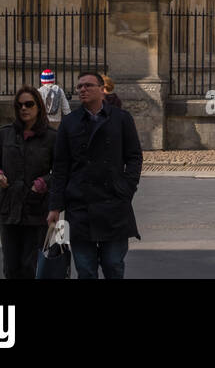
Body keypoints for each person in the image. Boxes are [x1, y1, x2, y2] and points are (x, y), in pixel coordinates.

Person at [47, 71, 142, 279]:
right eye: (79, 86)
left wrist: (126, 188)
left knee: (113, 265)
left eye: (88, 85)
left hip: (114, 203)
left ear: (102, 90)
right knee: (86, 269)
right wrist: (55, 206)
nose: (82, 89)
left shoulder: (121, 119)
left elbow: (134, 157)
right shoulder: (69, 122)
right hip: (80, 205)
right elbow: (60, 167)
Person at [0, 86, 57, 278]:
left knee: (30, 266)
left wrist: (44, 182)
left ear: (39, 107)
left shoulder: (51, 137)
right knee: (11, 266)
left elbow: (61, 171)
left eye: (29, 104)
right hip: (9, 209)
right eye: (19, 105)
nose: (24, 108)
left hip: (36, 209)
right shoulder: (6, 133)